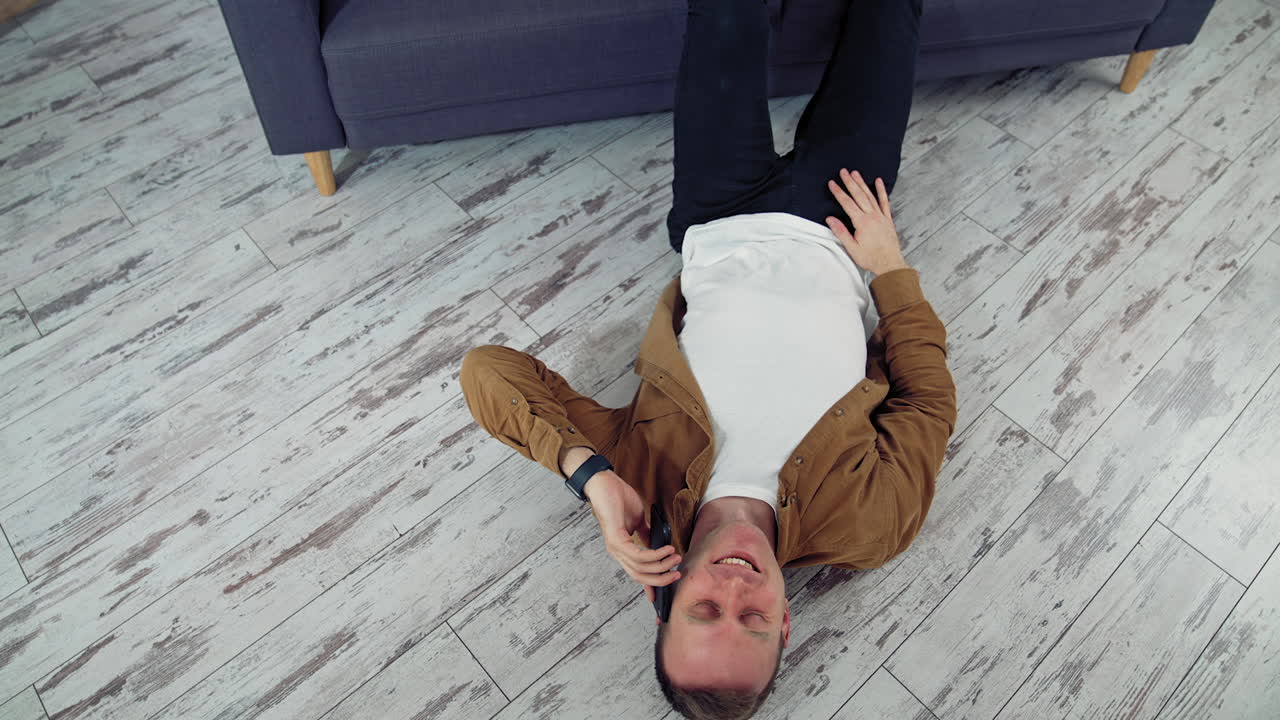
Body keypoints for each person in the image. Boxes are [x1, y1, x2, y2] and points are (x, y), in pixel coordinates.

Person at [460, 0, 953, 717]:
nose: (734, 588)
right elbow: (929, 403)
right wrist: (889, 268)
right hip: (844, 226)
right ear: (786, 623)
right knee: (891, 16)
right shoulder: (868, 528)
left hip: (719, 211)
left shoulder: (635, 485)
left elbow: (487, 370)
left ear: (666, 605)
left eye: (704, 611)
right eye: (753, 620)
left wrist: (589, 478)